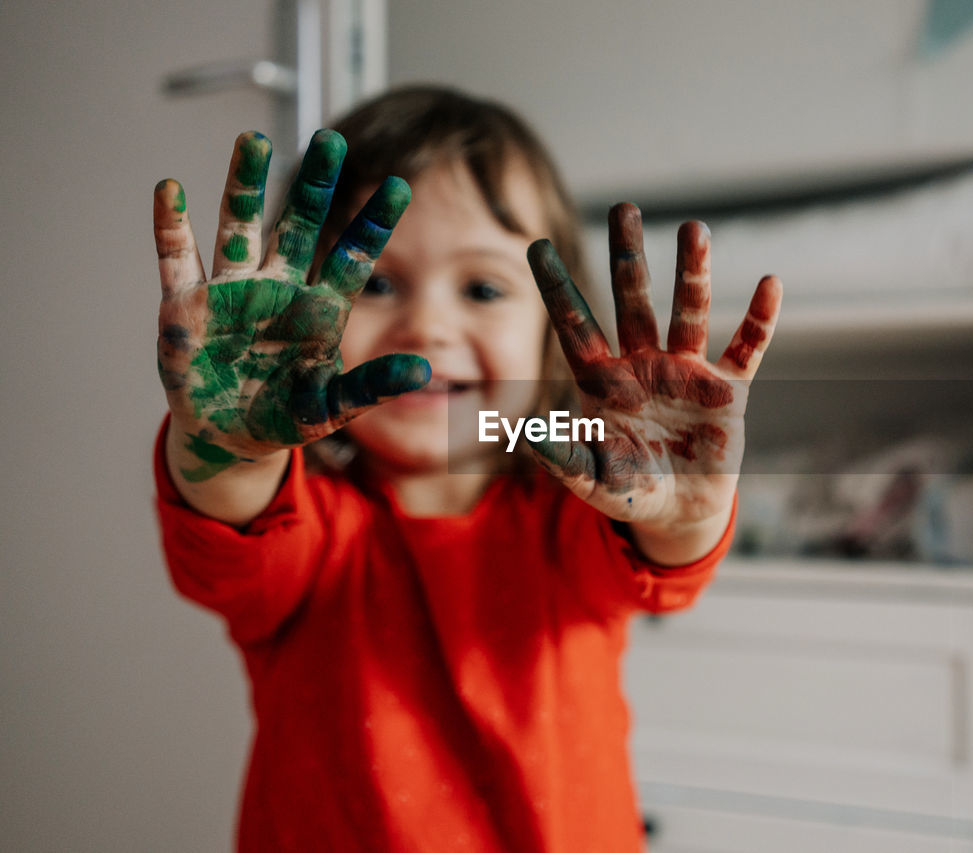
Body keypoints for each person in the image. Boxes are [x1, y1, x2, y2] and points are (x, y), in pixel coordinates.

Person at [151, 85, 782, 852]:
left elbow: (659, 559)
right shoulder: (308, 531)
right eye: (375, 281)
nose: (428, 324)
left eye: (482, 287)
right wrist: (232, 446)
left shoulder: (572, 520)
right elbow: (232, 519)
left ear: (557, 335)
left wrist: (688, 512)